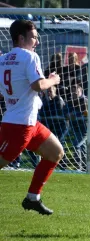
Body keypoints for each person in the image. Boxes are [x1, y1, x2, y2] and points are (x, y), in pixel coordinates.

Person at [0, 20, 65, 215]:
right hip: (18, 126)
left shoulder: (3, 59)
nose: (36, 42)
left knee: (55, 152)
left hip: (27, 122)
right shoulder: (30, 56)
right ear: (21, 38)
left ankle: (32, 198)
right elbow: (38, 85)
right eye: (34, 38)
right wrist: (53, 80)